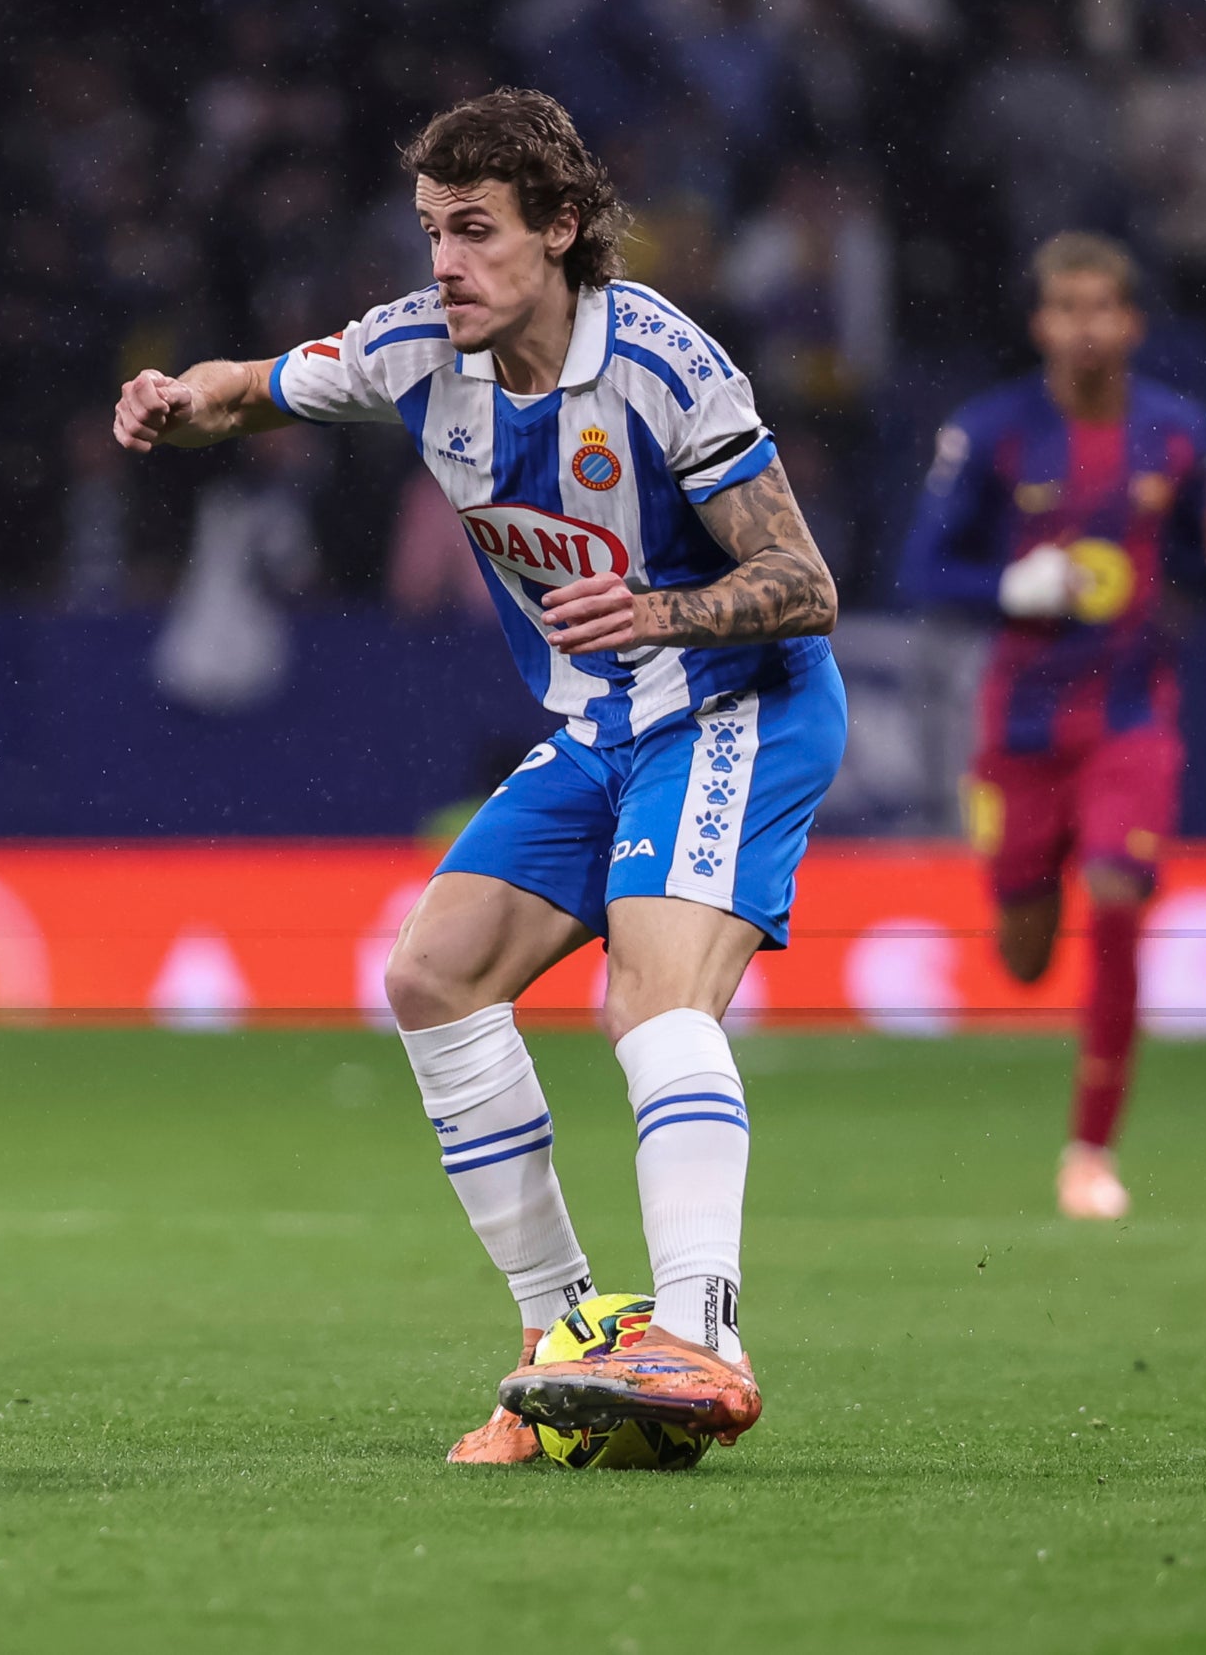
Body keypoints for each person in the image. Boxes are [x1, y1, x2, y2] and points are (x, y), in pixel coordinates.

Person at [113, 89, 844, 1462]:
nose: (444, 260)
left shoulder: (667, 366)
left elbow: (806, 583)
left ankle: (702, 1336)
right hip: (600, 721)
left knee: (650, 991)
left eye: (476, 230)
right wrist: (176, 399)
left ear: (562, 229)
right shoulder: (410, 349)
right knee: (432, 973)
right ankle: (565, 1343)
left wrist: (665, 612)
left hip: (736, 703)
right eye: (432, 228)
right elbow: (252, 387)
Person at [902, 232, 1206, 1221]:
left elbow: (1197, 551)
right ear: (1040, 324)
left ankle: (1089, 1154)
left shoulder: (1177, 433)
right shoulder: (991, 433)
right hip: (1018, 725)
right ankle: (1025, 892)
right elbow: (920, 569)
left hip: (1132, 713)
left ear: (1132, 323)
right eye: (1067, 308)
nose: (1086, 327)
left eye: (1104, 307)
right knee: (1021, 954)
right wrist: (1006, 584)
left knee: (1114, 897)